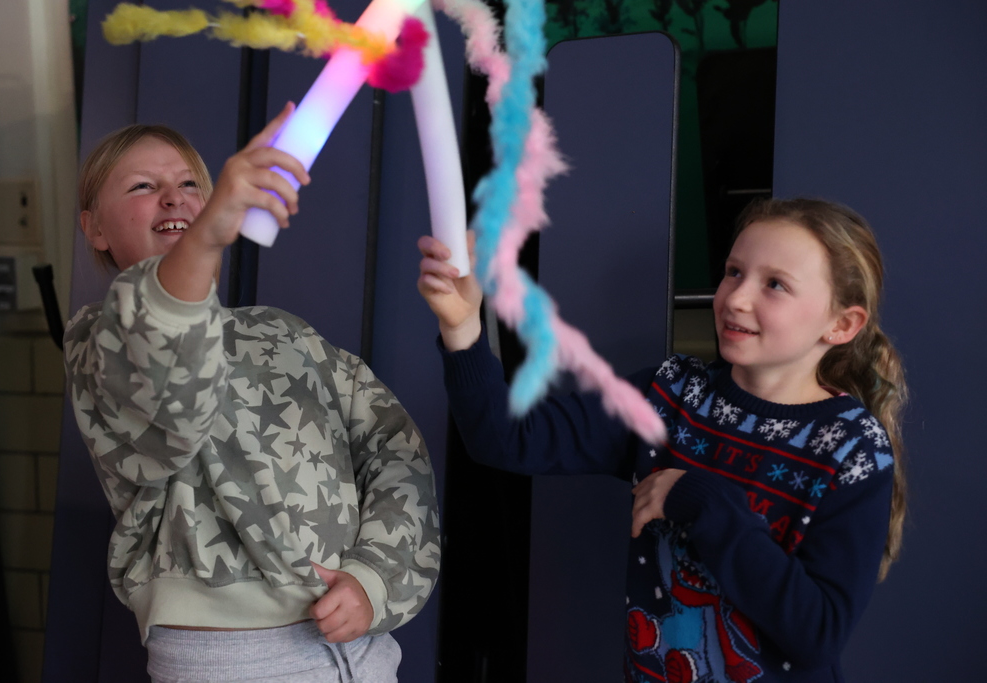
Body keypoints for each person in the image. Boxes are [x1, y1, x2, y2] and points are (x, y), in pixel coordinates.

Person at [417, 198, 906, 682]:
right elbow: (505, 438)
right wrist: (461, 326)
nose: (736, 297)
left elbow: (817, 633)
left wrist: (702, 500)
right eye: (734, 272)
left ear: (842, 325)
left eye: (775, 284)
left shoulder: (852, 448)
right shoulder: (670, 395)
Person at [65, 103, 440, 683]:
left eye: (191, 184)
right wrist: (206, 236)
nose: (173, 198)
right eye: (143, 186)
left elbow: (395, 452)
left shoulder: (287, 334)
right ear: (94, 228)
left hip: (362, 649)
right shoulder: (100, 343)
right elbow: (169, 399)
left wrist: (373, 580)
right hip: (229, 659)